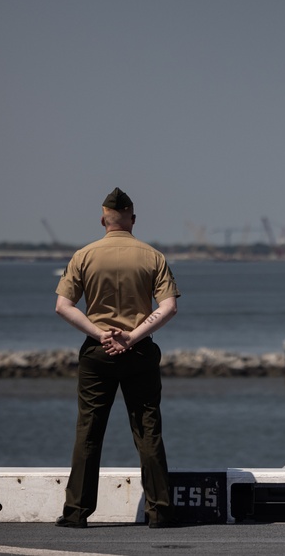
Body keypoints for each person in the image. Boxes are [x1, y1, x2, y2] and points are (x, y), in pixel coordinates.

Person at [54, 187, 181, 529]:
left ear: (102, 220)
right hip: (139, 351)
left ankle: (76, 512)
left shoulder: (84, 255)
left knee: (89, 431)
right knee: (148, 430)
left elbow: (63, 306)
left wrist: (100, 334)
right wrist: (132, 336)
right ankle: (160, 511)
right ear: (133, 219)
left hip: (97, 353)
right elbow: (168, 307)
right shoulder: (153, 256)